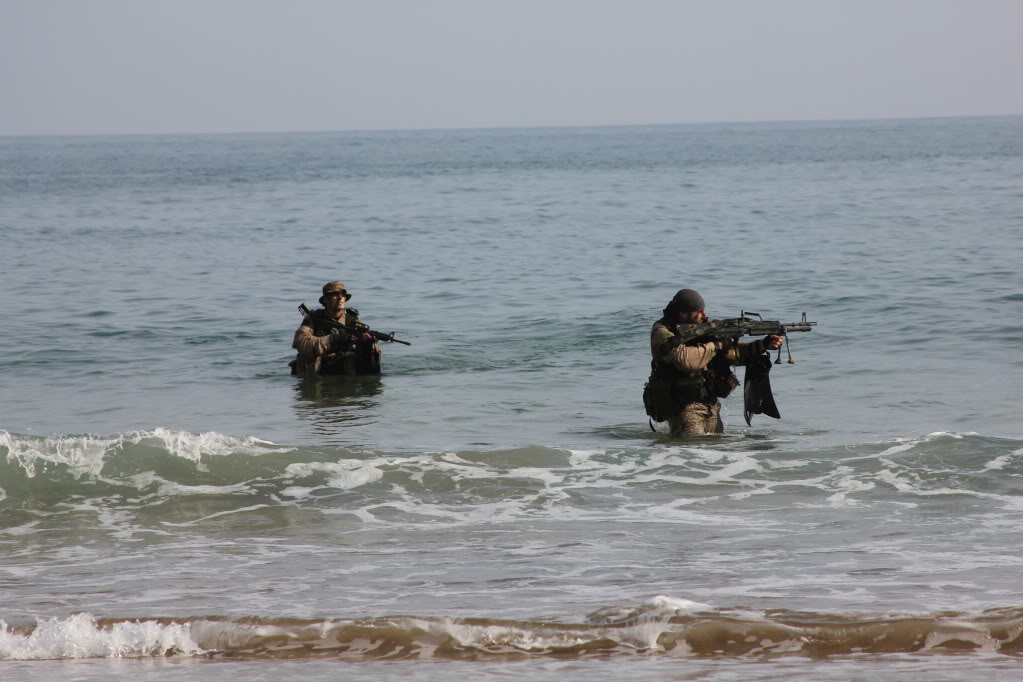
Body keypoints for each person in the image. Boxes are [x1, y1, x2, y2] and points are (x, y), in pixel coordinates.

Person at [644, 288, 783, 436]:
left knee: (715, 453)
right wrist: (717, 345)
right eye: (699, 312)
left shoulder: (702, 329)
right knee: (691, 453)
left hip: (710, 405)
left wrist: (762, 345)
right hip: (684, 407)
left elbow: (730, 354)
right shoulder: (663, 331)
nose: (704, 315)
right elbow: (685, 360)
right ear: (684, 313)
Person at [290, 281, 382, 376]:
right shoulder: (313, 319)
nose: (340, 297)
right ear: (326, 299)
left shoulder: (353, 321)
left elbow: (363, 353)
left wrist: (367, 344)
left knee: (373, 349)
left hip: (346, 375)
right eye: (335, 294)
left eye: (343, 294)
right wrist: (333, 340)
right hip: (319, 377)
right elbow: (301, 342)